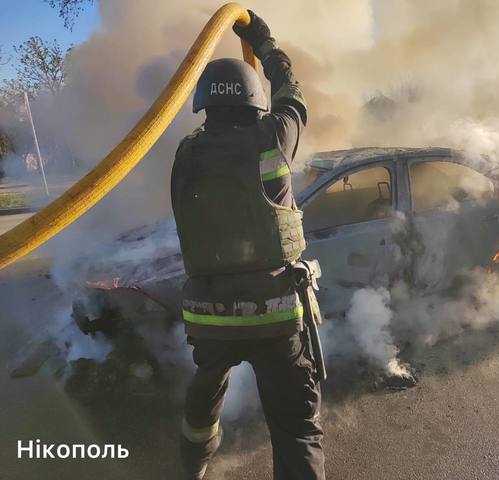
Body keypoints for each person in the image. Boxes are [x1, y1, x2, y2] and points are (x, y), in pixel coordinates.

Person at [170, 10, 325, 480]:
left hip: (209, 317)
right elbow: (291, 90)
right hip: (274, 315)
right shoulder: (274, 135)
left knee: (204, 400)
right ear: (255, 100)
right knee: (296, 429)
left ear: (204, 104)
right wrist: (263, 40)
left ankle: (193, 465)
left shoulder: (186, 153)